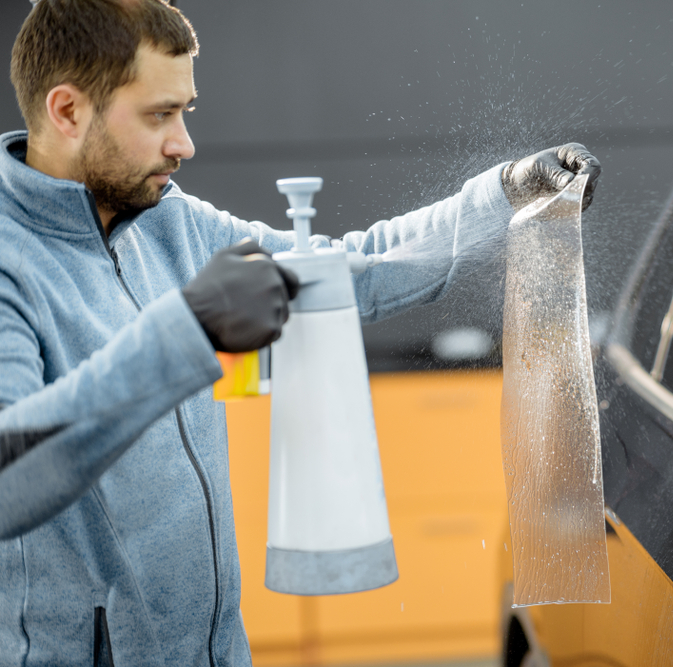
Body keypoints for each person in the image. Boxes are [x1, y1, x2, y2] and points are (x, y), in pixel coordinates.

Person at [0, 1, 601, 665]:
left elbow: (350, 271)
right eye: (158, 115)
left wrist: (506, 194)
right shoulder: (10, 262)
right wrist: (190, 330)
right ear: (67, 111)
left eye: (185, 112)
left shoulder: (170, 221)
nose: (184, 144)